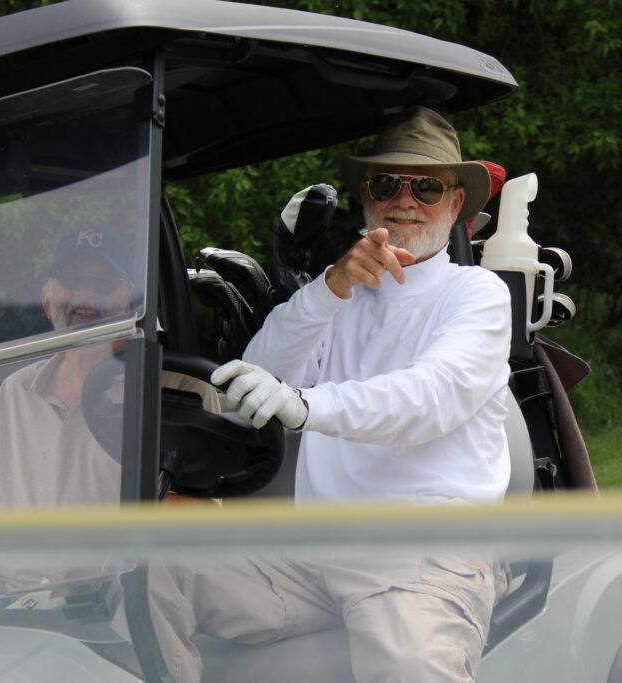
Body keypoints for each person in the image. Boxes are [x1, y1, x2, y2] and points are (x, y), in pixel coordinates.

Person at [202, 105, 514, 681]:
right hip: (312, 554)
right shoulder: (337, 294)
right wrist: (333, 284)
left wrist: (306, 404)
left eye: (425, 186)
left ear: (454, 205)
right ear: (367, 199)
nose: (404, 200)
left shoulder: (477, 293)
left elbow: (429, 397)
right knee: (154, 572)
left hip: (422, 553)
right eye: (386, 184)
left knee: (410, 668)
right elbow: (253, 377)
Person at [0, 228, 218, 596]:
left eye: (103, 281)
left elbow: (202, 515)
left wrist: (94, 571)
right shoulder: (15, 392)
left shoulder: (179, 390)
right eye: (71, 280)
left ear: (133, 303)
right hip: (18, 612)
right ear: (47, 301)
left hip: (125, 606)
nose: (84, 295)